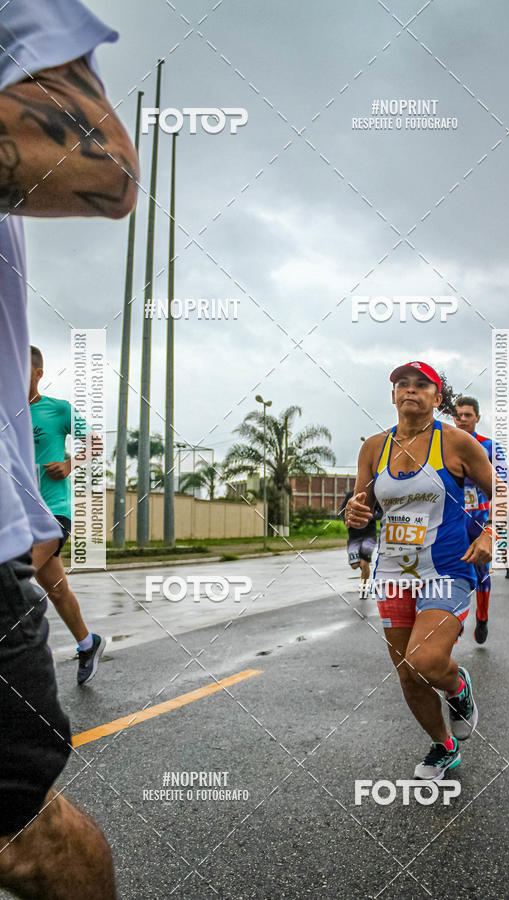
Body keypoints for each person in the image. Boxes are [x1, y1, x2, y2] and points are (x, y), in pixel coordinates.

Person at [0, 2, 137, 897]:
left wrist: (56, 474)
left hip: (19, 502)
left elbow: (110, 172)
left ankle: (81, 639)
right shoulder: (23, 395)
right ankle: (77, 638)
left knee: (20, 838)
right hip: (23, 505)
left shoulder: (52, 410)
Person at [346, 361, 498, 781]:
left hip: (447, 568)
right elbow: (360, 507)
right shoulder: (374, 447)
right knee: (408, 674)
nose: (410, 390)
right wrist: (353, 511)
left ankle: (457, 687)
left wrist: (488, 536)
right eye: (402, 384)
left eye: (421, 385)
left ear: (437, 397)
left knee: (426, 658)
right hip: (394, 573)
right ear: (393, 395)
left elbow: (504, 495)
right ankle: (443, 745)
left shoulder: (456, 442)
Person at [29, 346, 105, 685]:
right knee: (57, 589)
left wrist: (70, 463)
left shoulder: (57, 410)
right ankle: (88, 644)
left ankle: (21, 661)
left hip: (52, 512)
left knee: (13, 576)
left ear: (38, 373)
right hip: (17, 513)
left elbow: (95, 442)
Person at [453, 396, 494, 644]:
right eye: (458, 415)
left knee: (481, 574)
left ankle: (482, 618)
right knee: (451, 573)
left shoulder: (490, 447)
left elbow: (504, 487)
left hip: (479, 522)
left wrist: (492, 528)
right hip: (452, 521)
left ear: (477, 417)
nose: (463, 419)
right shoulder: (442, 446)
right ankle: (454, 621)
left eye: (468, 415)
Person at [340, 490, 381, 592]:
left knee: (364, 563)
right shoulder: (350, 495)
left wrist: (369, 516)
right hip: (354, 536)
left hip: (369, 536)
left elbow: (381, 513)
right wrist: (345, 519)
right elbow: (342, 511)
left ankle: (364, 585)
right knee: (355, 565)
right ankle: (365, 570)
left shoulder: (374, 496)